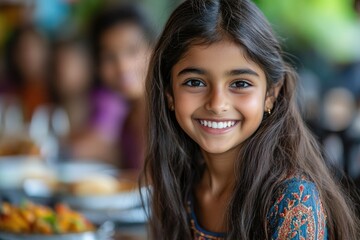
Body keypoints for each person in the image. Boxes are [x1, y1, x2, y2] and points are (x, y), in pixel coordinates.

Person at [142, 0, 360, 239]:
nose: (217, 104)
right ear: (169, 93)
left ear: (270, 94)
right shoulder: (179, 179)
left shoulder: (292, 200)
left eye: (240, 84)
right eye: (195, 82)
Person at [71, 4, 154, 168]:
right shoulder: (127, 117)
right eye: (109, 57)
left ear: (154, 49)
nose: (122, 66)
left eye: (132, 50)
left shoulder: (172, 111)